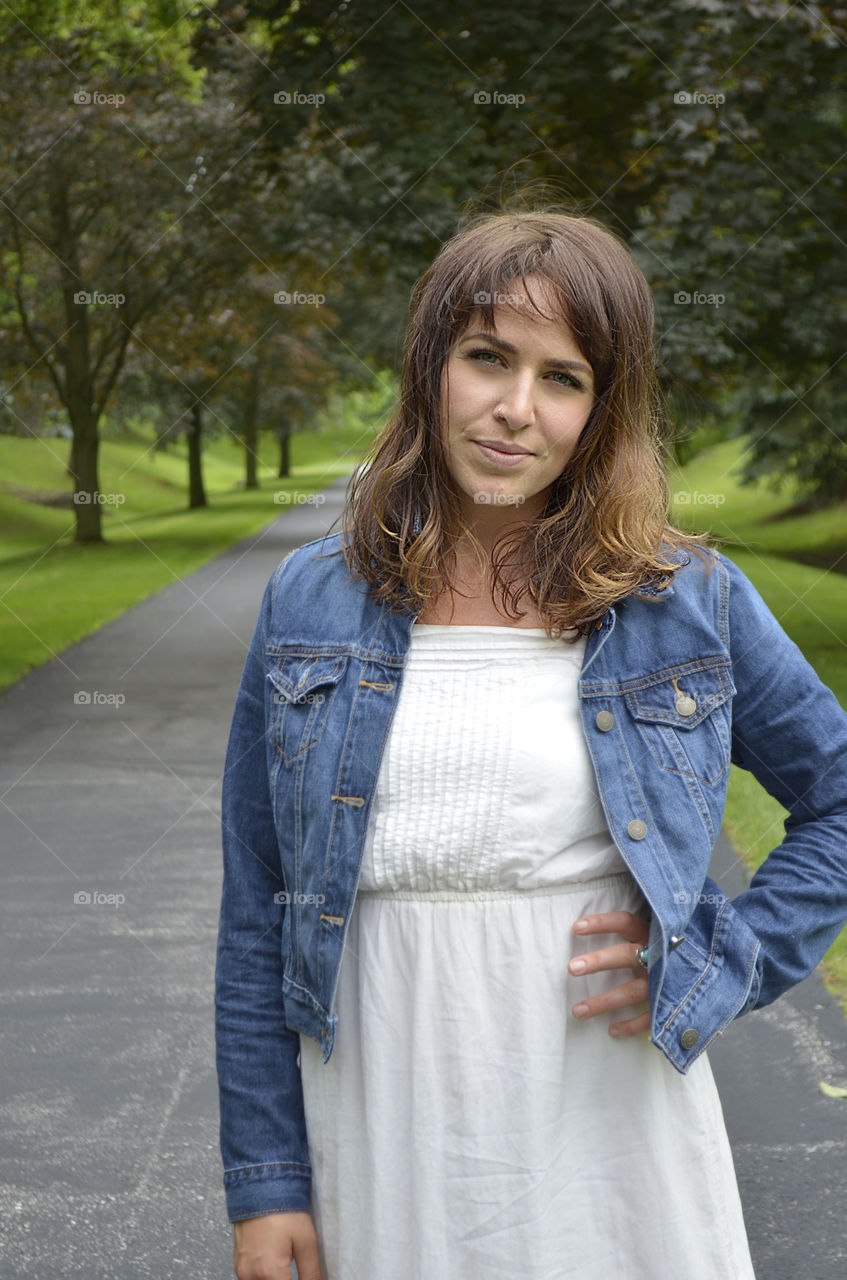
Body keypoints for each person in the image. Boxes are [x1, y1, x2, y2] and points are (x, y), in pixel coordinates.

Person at [214, 209, 847, 1280]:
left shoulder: (682, 599)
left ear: (601, 409)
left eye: (563, 377)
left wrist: (721, 962)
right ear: (430, 368)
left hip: (605, 1117)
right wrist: (265, 1180)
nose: (516, 408)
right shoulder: (309, 600)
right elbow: (255, 906)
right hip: (376, 1104)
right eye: (487, 358)